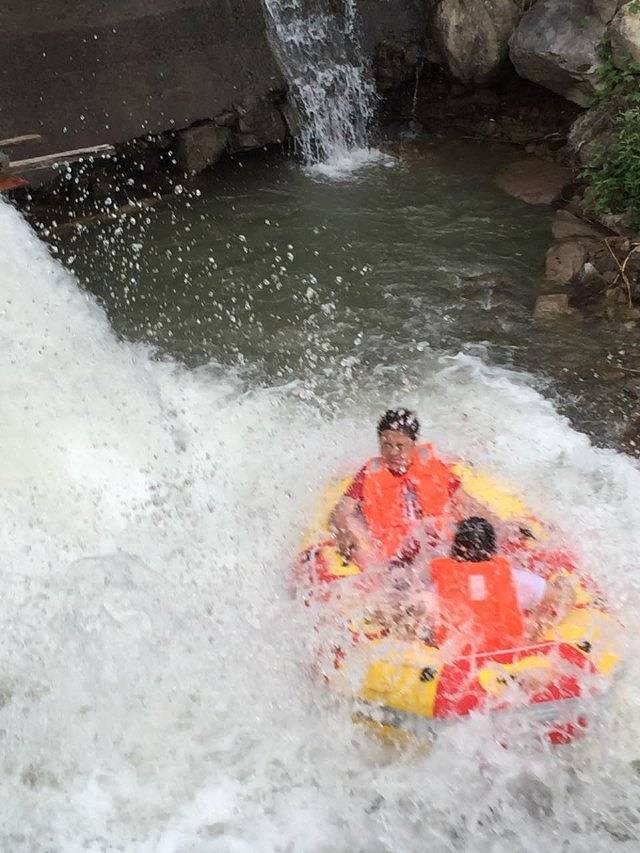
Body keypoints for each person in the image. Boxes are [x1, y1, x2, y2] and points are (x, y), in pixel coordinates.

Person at [329, 408, 479, 569]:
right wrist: (344, 532)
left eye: (400, 446)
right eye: (386, 445)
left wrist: (496, 526)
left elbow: (468, 503)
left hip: (439, 547)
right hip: (393, 558)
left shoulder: (432, 466)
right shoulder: (369, 473)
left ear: (413, 444)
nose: (393, 452)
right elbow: (340, 512)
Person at [431, 517, 576, 651]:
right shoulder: (515, 579)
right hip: (506, 654)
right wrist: (541, 626)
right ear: (492, 551)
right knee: (539, 613)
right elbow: (565, 599)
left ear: (454, 551)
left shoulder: (439, 586)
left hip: (457, 655)